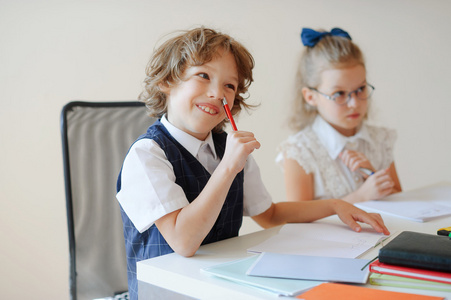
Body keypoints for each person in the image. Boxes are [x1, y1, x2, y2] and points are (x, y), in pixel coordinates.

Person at [116, 27, 390, 300]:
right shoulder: (147, 155)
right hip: (167, 293)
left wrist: (334, 205)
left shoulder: (230, 150)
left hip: (220, 288)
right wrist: (227, 167)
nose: (217, 93)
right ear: (166, 81)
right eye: (203, 76)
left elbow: (269, 215)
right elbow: (184, 241)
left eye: (229, 85)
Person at [276, 27, 402, 204]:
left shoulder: (380, 141)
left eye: (360, 89)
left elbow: (403, 202)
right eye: (339, 94)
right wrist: (360, 197)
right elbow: (297, 223)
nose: (354, 103)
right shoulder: (299, 151)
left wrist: (373, 176)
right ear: (311, 97)